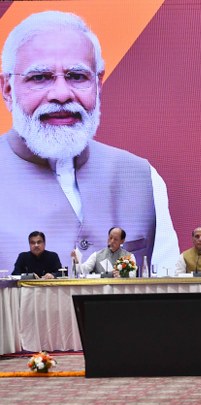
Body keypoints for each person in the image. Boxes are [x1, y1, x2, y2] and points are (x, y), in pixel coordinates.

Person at [0, 11, 178, 277]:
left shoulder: (141, 177)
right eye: (40, 78)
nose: (61, 94)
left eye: (77, 76)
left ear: (98, 83)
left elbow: (168, 288)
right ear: (8, 89)